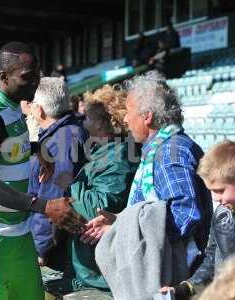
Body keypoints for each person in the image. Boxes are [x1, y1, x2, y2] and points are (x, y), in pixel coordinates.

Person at [0, 41, 86, 300]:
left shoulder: (12, 105)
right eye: (27, 77)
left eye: (37, 74)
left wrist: (37, 148)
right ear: (4, 77)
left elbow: (7, 147)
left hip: (18, 233)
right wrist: (45, 207)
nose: (35, 82)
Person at [83, 71, 213, 275]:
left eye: (129, 111)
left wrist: (127, 233)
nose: (125, 119)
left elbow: (184, 215)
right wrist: (119, 221)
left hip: (175, 277)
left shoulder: (170, 153)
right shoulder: (164, 148)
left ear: (147, 117)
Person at [66, 86, 138, 291]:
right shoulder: (102, 151)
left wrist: (68, 184)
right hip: (90, 267)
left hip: (101, 274)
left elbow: (97, 209)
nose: (82, 120)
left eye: (87, 116)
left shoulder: (118, 156)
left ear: (100, 122)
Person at [160, 140, 235, 299]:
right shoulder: (222, 216)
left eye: (220, 190)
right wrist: (183, 289)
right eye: (211, 191)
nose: (215, 198)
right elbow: (211, 262)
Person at [29, 77, 87, 266]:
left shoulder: (62, 141)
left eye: (32, 103)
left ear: (39, 109)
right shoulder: (63, 134)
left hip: (57, 250)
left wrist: (41, 248)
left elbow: (53, 201)